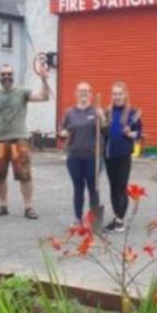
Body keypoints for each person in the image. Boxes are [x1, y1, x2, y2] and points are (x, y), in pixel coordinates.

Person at [0, 64, 50, 220]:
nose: (7, 77)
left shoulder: (22, 92)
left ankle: (28, 207)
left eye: (9, 74)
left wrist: (44, 80)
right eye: (3, 74)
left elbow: (44, 97)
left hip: (19, 140)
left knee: (25, 175)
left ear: (13, 75)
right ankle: (3, 205)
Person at [59, 82, 106, 225]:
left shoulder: (96, 111)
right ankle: (78, 218)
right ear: (76, 93)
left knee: (94, 189)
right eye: (80, 91)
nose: (83, 93)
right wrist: (62, 133)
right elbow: (62, 131)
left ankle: (95, 222)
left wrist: (102, 118)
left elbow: (105, 130)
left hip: (93, 157)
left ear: (91, 94)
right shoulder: (69, 113)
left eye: (86, 91)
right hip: (74, 157)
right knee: (78, 188)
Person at [103, 82, 142, 233]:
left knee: (121, 187)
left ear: (125, 95)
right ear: (111, 96)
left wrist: (129, 133)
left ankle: (119, 220)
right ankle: (116, 217)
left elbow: (138, 133)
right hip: (109, 155)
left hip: (123, 155)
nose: (117, 96)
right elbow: (102, 130)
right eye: (115, 94)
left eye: (120, 93)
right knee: (113, 187)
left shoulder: (132, 113)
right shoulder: (107, 112)